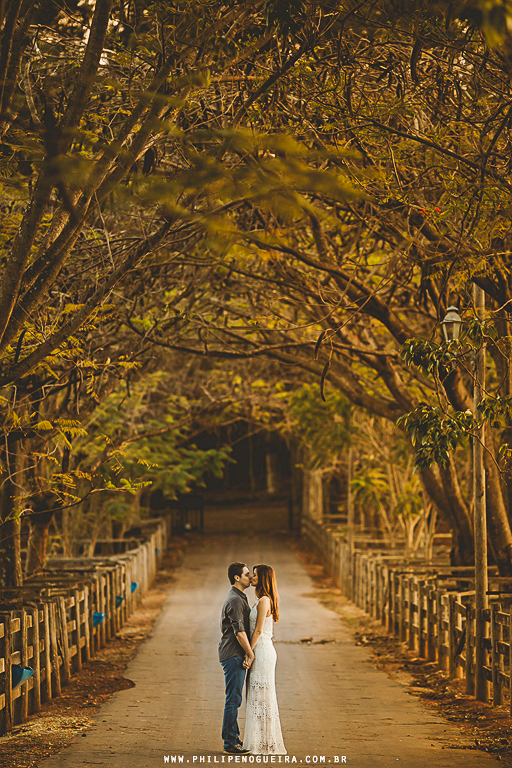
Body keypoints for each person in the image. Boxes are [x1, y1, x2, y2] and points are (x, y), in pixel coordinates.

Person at [242, 564, 287, 755]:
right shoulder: (261, 600)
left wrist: (249, 652)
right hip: (261, 650)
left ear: (263, 578)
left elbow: (259, 631)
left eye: (255, 575)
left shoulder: (264, 601)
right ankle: (260, 740)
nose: (251, 577)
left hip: (262, 652)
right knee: (257, 696)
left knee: (262, 697)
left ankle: (265, 742)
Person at [218, 562, 253, 755]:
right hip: (233, 654)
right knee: (233, 699)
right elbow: (239, 632)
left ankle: (233, 739)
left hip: (233, 653)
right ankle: (230, 743)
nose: (250, 577)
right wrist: (250, 652)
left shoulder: (240, 597)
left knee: (235, 698)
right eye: (247, 574)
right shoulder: (235, 600)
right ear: (237, 578)